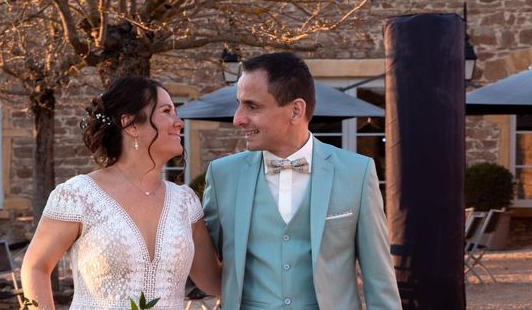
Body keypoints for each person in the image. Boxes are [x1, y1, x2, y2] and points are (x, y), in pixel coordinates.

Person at [203, 52, 401, 309]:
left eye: (252, 106)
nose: (237, 118)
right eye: (239, 104)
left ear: (296, 110)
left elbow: (379, 280)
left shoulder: (357, 172)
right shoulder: (222, 176)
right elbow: (198, 263)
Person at [22, 75, 221, 309]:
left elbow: (214, 280)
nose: (179, 122)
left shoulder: (185, 202)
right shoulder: (78, 196)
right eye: (166, 111)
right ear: (131, 124)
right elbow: (35, 267)